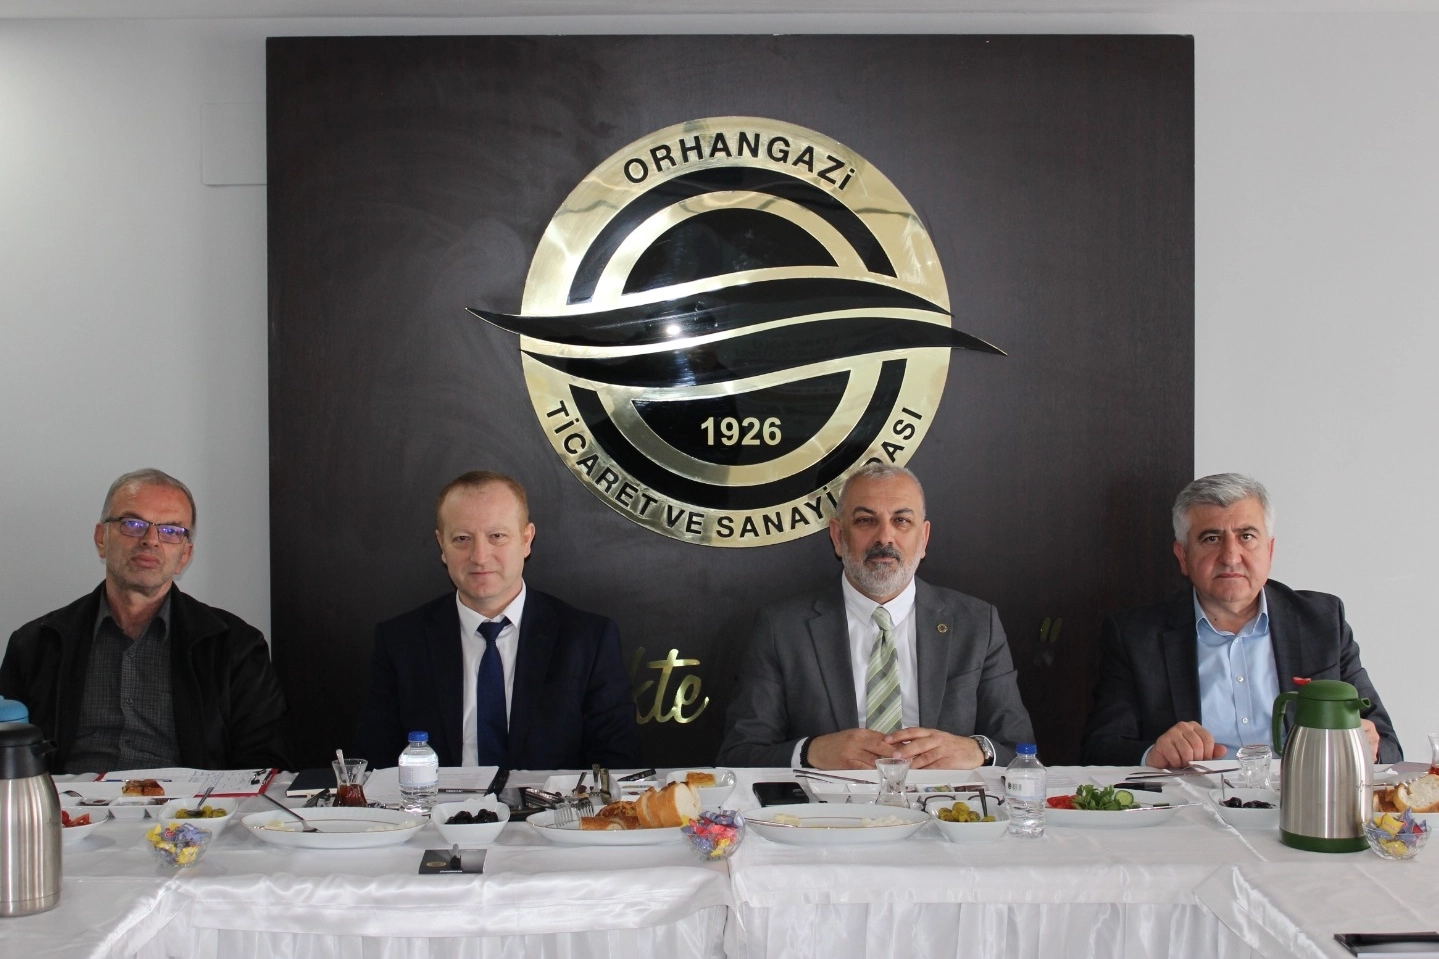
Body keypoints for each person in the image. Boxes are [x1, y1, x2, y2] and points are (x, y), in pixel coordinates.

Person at [717, 463, 1034, 770]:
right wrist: (811, 751)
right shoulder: (782, 628)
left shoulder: (977, 624)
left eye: (901, 521)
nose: (885, 538)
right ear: (838, 537)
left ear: (924, 538)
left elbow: (1021, 752)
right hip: (830, 806)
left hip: (942, 803)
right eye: (866, 521)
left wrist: (977, 751)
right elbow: (739, 755)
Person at [1082, 472, 1401, 767]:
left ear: (1270, 551)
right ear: (1183, 556)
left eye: (1246, 536)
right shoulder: (1136, 636)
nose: (1231, 556)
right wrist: (1154, 753)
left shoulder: (1321, 621)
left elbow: (1388, 745)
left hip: (1300, 798)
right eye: (1211, 538)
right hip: (1193, 804)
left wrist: (1368, 745)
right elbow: (1100, 748)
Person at [0, 469, 289, 772]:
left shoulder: (235, 647)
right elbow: (8, 755)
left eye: (171, 531)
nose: (151, 540)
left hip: (188, 802)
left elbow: (266, 763)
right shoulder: (36, 645)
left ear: (185, 555)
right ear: (101, 538)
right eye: (133, 524)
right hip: (70, 802)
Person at [354, 470, 643, 770]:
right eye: (462, 539)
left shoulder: (588, 640)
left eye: (497, 536)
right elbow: (376, 766)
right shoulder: (400, 642)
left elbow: (618, 764)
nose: (480, 556)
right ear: (442, 546)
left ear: (526, 540)